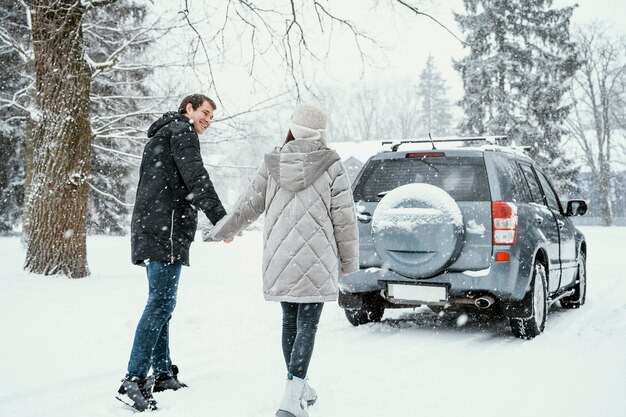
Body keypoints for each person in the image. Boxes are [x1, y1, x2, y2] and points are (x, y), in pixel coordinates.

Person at [207, 103, 359, 417]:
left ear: (292, 128)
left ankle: (300, 387)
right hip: (317, 256)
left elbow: (248, 205)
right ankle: (291, 401)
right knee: (307, 325)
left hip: (281, 254)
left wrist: (225, 229)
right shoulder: (331, 163)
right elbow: (344, 218)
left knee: (290, 321)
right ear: (320, 132)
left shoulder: (272, 162)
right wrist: (348, 259)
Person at [116, 94, 230, 412]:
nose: (207, 119)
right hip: (165, 228)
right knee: (161, 303)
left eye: (211, 116)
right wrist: (222, 220)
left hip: (153, 227)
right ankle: (134, 379)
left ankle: (163, 373)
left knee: (162, 302)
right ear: (189, 109)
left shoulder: (163, 134)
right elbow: (197, 180)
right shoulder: (182, 132)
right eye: (204, 112)